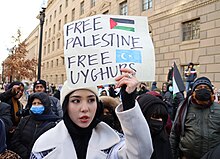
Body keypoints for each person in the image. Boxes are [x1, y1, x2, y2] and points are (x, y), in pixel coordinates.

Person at [30, 68, 153, 159]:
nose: (85, 108)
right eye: (76, 101)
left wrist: (129, 101)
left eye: (91, 100)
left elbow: (140, 154)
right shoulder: (44, 147)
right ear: (65, 106)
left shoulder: (113, 142)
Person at [170, 77, 220, 159]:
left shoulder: (218, 109)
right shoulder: (184, 108)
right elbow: (174, 134)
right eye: (199, 88)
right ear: (193, 92)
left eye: (206, 88)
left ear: (211, 92)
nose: (203, 90)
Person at [10, 92, 61, 159]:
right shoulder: (25, 120)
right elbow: (15, 140)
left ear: (46, 105)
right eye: (34, 103)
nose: (36, 105)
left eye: (39, 103)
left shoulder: (54, 123)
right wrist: (28, 154)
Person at [137, 93, 173, 159]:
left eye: (162, 117)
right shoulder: (133, 142)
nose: (159, 120)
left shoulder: (164, 139)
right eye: (154, 116)